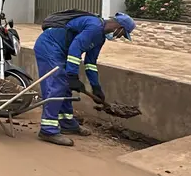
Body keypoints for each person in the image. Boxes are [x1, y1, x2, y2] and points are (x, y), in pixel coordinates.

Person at [34, 11, 136, 146]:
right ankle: (48, 130)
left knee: (65, 87)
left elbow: (90, 63)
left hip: (61, 50)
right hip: (49, 47)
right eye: (122, 34)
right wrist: (72, 75)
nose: (119, 37)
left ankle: (66, 123)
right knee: (57, 86)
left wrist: (96, 87)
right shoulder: (94, 26)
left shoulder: (100, 38)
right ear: (119, 27)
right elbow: (75, 49)